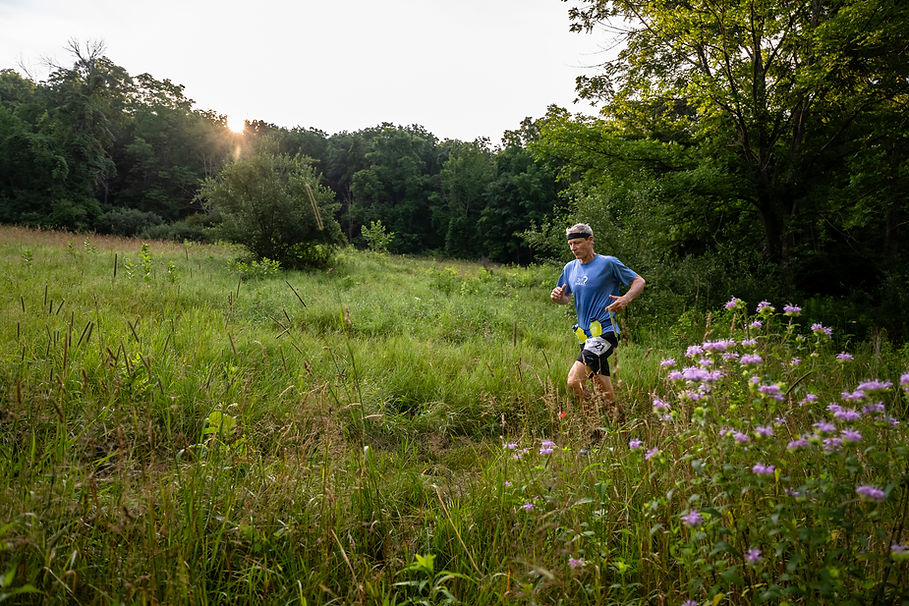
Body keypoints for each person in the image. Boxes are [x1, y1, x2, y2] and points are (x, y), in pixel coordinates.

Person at [550, 223, 645, 435]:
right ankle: (627, 437)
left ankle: (595, 434)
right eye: (571, 244)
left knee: (574, 380)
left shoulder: (608, 263)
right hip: (585, 336)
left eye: (577, 243)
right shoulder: (570, 268)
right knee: (606, 394)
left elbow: (639, 281)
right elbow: (566, 298)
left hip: (605, 332)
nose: (573, 248)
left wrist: (626, 298)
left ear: (590, 240)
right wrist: (559, 298)